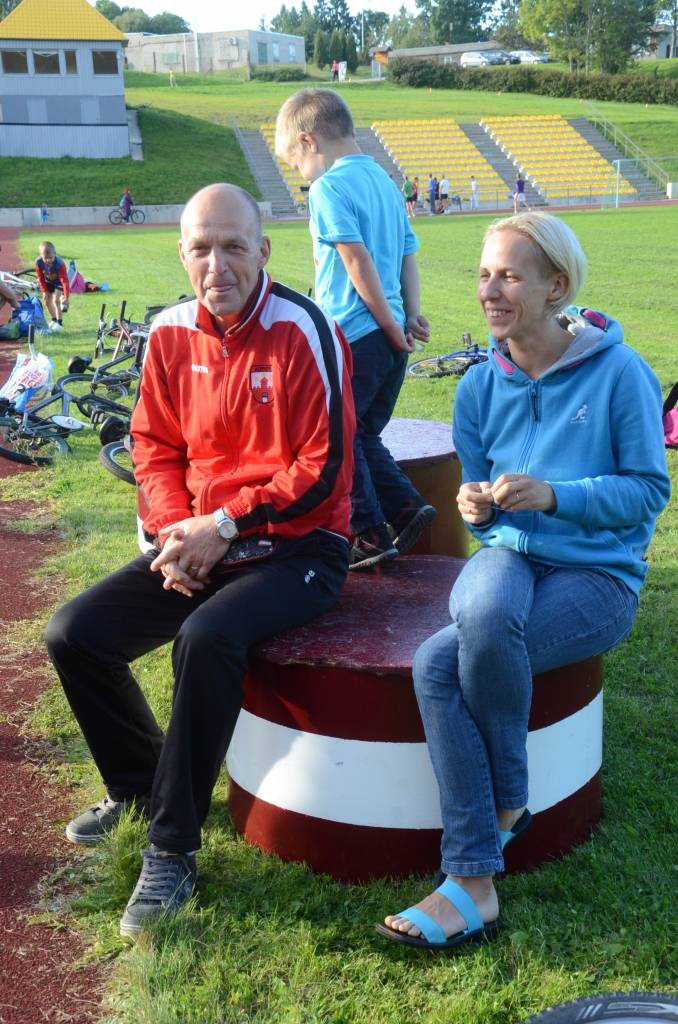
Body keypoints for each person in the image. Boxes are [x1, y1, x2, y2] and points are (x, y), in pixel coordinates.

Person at [45, 183, 356, 939]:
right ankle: (139, 785)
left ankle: (173, 846)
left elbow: (323, 469)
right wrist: (172, 536)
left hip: (300, 546)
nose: (218, 265)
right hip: (201, 539)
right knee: (74, 634)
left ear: (263, 250)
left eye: (234, 246)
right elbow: (153, 447)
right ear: (182, 254)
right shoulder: (168, 333)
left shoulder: (305, 329)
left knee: (206, 638)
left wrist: (225, 523)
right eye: (202, 248)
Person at [377, 211, 670, 950]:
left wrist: (557, 495)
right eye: (484, 275)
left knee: (437, 664)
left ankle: (473, 870)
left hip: (597, 576)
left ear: (555, 287)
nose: (490, 290)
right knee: (476, 620)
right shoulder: (479, 386)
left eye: (509, 275)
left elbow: (648, 491)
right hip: (509, 556)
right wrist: (475, 505)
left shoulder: (621, 373)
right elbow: (480, 507)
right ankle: (504, 815)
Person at [275, 88, 436, 570]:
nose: (301, 173)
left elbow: (356, 260)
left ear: (309, 141)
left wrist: (388, 324)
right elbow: (408, 252)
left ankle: (368, 533)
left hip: (354, 333)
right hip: (390, 337)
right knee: (363, 432)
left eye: (296, 162)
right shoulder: (385, 181)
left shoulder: (328, 188)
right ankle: (406, 509)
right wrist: (409, 315)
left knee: (337, 437)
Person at [35, 240, 69, 331]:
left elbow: (64, 281)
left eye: (50, 257)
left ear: (55, 254)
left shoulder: (59, 264)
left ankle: (60, 323)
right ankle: (54, 319)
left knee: (56, 300)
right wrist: (44, 291)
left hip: (59, 282)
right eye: (45, 258)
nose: (48, 260)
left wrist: (66, 296)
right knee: (46, 300)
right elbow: (40, 277)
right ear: (41, 256)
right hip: (48, 281)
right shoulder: (38, 262)